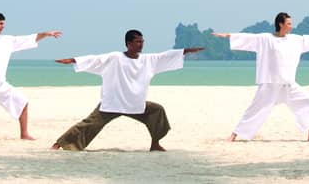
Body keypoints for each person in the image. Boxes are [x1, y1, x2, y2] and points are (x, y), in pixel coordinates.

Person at [50, 30, 203, 151]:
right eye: (138, 42)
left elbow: (165, 56)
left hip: (135, 105)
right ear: (128, 43)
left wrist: (186, 51)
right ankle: (59, 144)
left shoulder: (148, 60)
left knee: (157, 111)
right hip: (112, 104)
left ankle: (155, 144)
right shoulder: (115, 58)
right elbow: (95, 59)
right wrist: (73, 60)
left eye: (142, 42)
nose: (141, 44)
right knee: (88, 124)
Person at [215, 12, 309, 142]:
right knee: (255, 110)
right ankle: (233, 136)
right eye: (289, 23)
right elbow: (247, 38)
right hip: (270, 84)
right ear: (280, 24)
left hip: (289, 85)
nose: (291, 26)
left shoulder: (295, 40)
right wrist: (227, 35)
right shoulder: (266, 39)